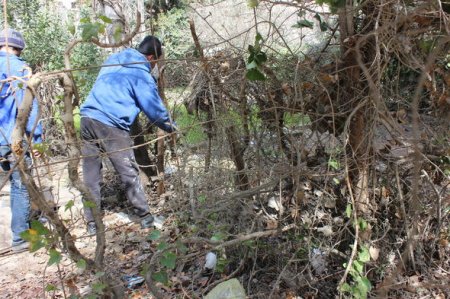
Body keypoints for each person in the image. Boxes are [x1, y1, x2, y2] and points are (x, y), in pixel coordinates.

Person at [80, 35, 177, 234]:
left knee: (91, 175)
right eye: (157, 62)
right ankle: (145, 217)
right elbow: (155, 111)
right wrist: (172, 128)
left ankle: (92, 223)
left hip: (87, 118)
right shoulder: (140, 74)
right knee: (128, 171)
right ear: (151, 58)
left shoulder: (115, 59)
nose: (156, 66)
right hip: (110, 124)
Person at [0, 28, 43, 252]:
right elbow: (28, 106)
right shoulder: (19, 69)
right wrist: (36, 138)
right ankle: (19, 237)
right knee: (20, 184)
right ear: (18, 48)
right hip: (12, 136)